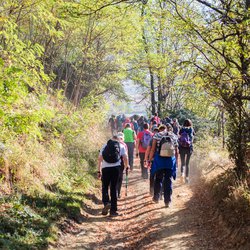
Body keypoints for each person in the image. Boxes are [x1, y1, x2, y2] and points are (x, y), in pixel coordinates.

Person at [98, 135, 129, 216]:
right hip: (116, 168)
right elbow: (125, 157)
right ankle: (113, 211)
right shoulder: (121, 146)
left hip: (105, 168)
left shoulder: (105, 146)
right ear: (118, 140)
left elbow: (100, 158)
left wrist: (99, 170)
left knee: (105, 186)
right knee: (114, 188)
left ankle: (106, 203)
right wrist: (127, 166)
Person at [148, 125, 178, 207]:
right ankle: (167, 201)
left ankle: (156, 197)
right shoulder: (174, 136)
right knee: (168, 180)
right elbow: (176, 151)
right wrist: (176, 162)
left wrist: (150, 159)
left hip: (159, 160)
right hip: (170, 161)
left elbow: (153, 149)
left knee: (158, 178)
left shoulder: (157, 135)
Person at [178, 119, 195, 184]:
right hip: (189, 148)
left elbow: (179, 135)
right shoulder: (191, 129)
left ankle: (182, 174)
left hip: (182, 147)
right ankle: (187, 178)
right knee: (187, 164)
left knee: (182, 163)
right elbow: (193, 136)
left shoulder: (182, 129)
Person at [116, 132, 128, 198]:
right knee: (120, 178)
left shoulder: (113, 144)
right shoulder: (124, 145)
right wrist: (127, 165)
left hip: (113, 163)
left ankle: (115, 192)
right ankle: (118, 193)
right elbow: (126, 156)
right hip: (121, 163)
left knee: (115, 178)